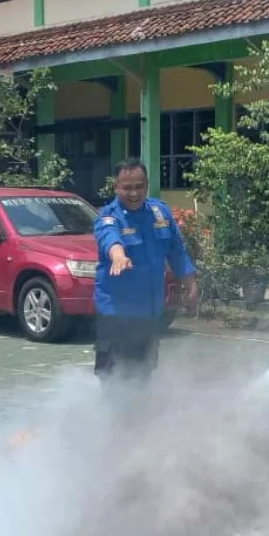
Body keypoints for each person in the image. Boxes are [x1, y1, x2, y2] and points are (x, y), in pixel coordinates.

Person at [93, 158, 198, 390]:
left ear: (147, 184)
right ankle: (110, 423)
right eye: (127, 187)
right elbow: (110, 238)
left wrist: (190, 284)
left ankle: (139, 422)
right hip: (117, 316)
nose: (133, 193)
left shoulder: (160, 213)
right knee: (114, 378)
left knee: (144, 374)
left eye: (139, 186)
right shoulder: (108, 217)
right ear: (116, 187)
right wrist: (118, 256)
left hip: (149, 313)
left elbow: (177, 252)